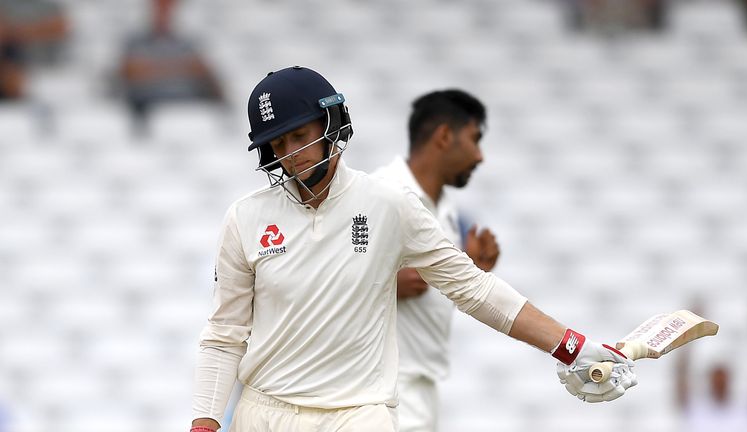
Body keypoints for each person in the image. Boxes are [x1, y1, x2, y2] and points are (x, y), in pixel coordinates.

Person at [189, 66, 638, 432]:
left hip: (358, 415)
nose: (292, 153)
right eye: (279, 143)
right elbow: (224, 333)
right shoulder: (245, 219)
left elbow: (474, 290)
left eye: (299, 135)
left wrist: (572, 346)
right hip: (265, 413)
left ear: (330, 123)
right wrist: (204, 425)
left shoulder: (388, 205)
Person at [372, 89, 499, 432]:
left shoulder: (444, 209)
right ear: (444, 136)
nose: (480, 156)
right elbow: (323, 276)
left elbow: (423, 289)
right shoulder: (381, 194)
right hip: (380, 392)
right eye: (475, 139)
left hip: (419, 386)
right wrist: (382, 283)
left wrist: (469, 269)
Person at [116, 0, 224, 131]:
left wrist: (153, 69)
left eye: (168, 7)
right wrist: (182, 67)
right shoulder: (135, 41)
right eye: (160, 6)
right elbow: (130, 72)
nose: (164, 12)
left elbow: (204, 72)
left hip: (187, 106)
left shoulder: (188, 42)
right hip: (147, 107)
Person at [676, 302, 747, 431]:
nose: (719, 383)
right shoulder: (695, 408)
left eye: (722, 379)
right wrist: (690, 328)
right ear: (709, 381)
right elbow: (680, 373)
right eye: (717, 379)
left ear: (729, 380)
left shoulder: (746, 408)